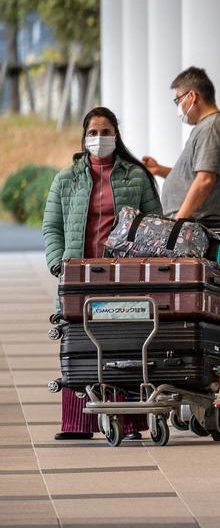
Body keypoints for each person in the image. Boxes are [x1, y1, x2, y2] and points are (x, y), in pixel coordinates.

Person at [42, 107, 161, 441]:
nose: (99, 139)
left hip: (122, 277)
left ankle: (128, 421)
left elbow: (155, 225)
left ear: (116, 135)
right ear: (84, 137)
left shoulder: (135, 177)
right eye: (93, 133)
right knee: (77, 342)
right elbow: (52, 226)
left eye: (105, 132)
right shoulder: (66, 178)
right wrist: (57, 263)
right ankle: (77, 423)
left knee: (123, 342)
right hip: (77, 277)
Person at [141, 66, 220, 226]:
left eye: (178, 100)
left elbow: (205, 180)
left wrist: (178, 222)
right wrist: (159, 169)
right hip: (192, 226)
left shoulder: (212, 128)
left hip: (196, 228)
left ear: (192, 96)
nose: (178, 106)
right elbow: (193, 176)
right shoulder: (207, 127)